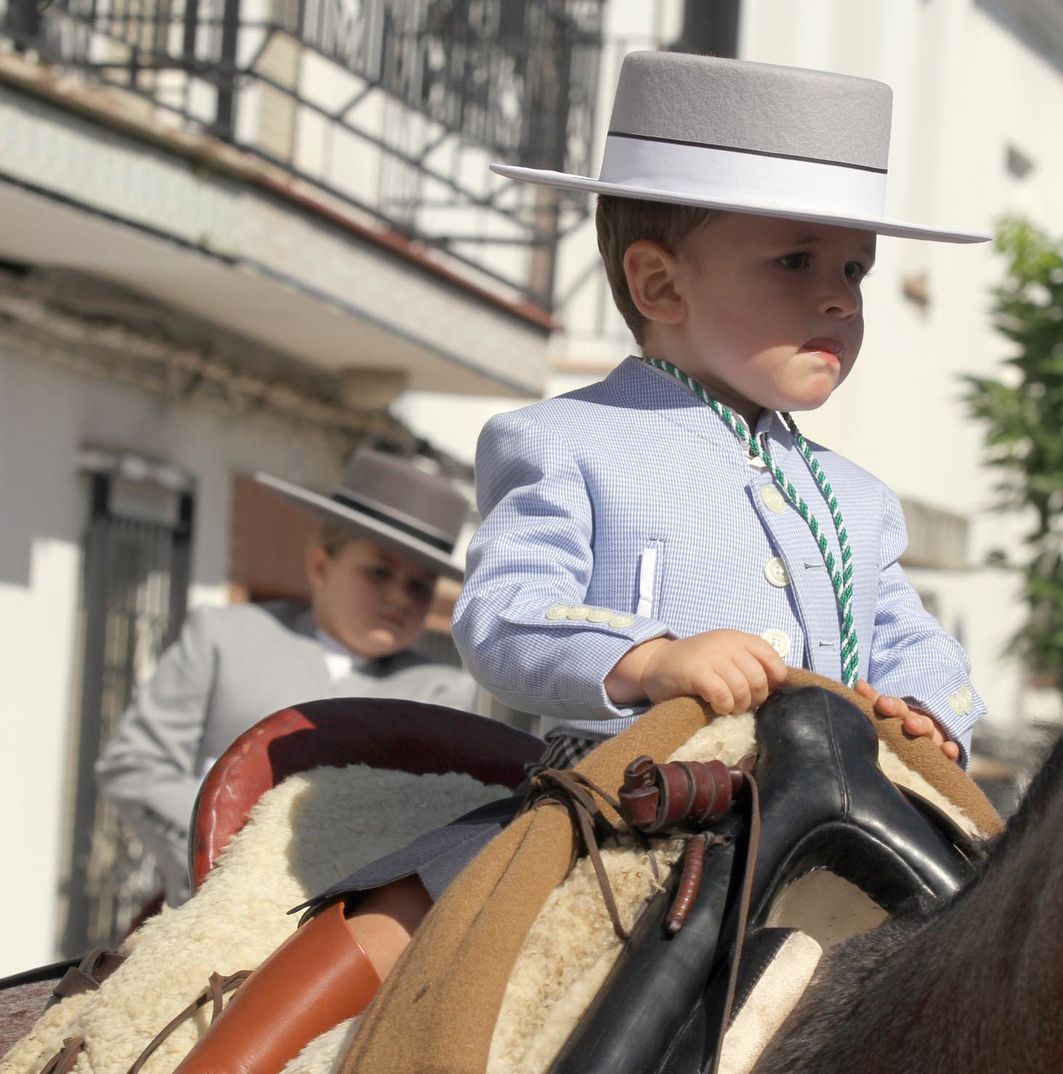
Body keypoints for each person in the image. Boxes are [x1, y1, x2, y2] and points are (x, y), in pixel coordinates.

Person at [171, 51, 988, 1074]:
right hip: (617, 810)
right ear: (658, 281)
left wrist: (926, 707)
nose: (838, 300)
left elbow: (911, 635)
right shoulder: (566, 440)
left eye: (855, 272)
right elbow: (504, 615)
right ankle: (216, 1059)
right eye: (795, 264)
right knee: (421, 916)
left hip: (823, 819)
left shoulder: (855, 500)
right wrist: (646, 659)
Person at [97, 447, 478, 905]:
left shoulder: (444, 695)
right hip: (209, 901)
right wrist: (233, 845)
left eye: (420, 585)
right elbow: (134, 767)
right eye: (379, 572)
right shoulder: (225, 638)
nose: (399, 597)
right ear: (320, 566)